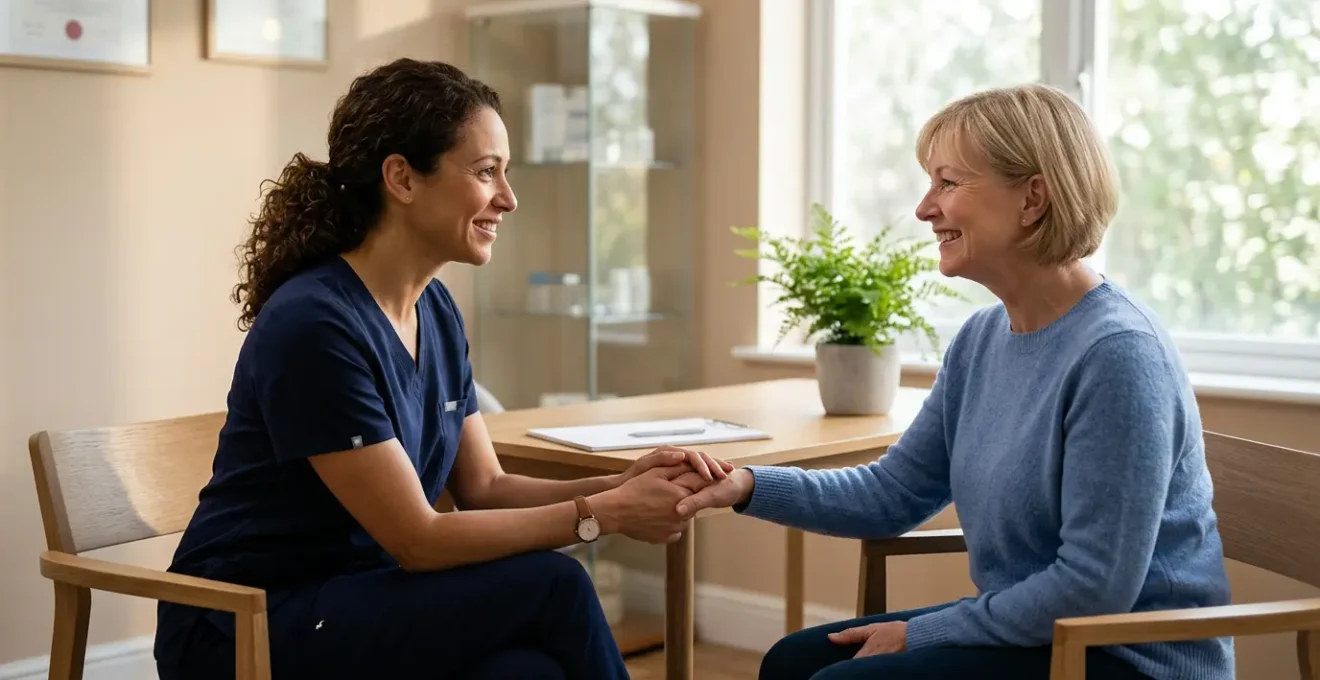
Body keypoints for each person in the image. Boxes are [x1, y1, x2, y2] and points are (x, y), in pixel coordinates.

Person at [153, 58, 730, 680]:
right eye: (486, 172)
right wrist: (605, 516)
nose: (507, 199)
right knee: (555, 585)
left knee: (524, 673)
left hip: (364, 597)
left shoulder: (435, 309)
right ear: (401, 177)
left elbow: (484, 489)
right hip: (247, 621)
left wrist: (619, 487)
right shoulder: (315, 324)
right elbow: (419, 540)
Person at [670, 84, 1234, 680]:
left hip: (1126, 656)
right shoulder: (982, 338)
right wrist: (746, 486)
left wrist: (922, 632)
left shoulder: (1119, 354)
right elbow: (892, 494)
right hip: (1034, 633)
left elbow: (1095, 588)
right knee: (790, 662)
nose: (923, 208)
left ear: (1033, 197)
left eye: (948, 183)